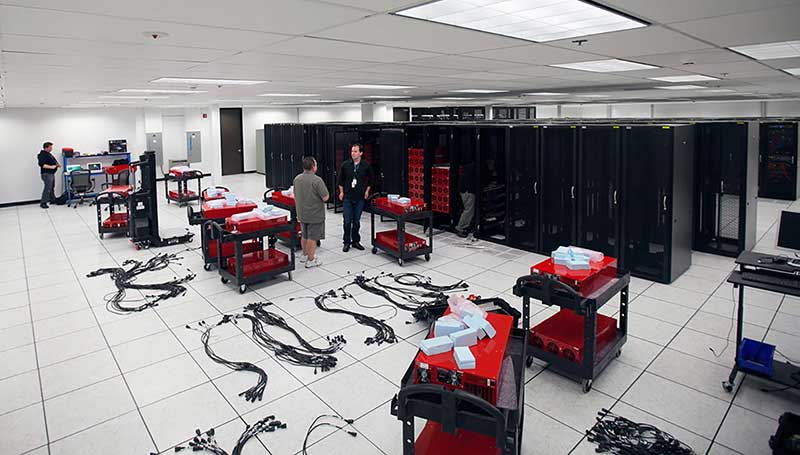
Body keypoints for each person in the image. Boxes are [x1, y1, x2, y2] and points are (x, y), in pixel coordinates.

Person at [293, 156, 329, 268]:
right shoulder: (317, 180)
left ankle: (304, 255)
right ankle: (311, 259)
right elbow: (325, 197)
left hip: (302, 213)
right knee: (312, 237)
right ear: (313, 167)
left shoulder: (297, 179)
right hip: (314, 214)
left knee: (304, 234)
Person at [338, 143, 373, 252]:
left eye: (356, 151)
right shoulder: (345, 165)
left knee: (356, 221)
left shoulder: (366, 165)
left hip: (360, 197)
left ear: (361, 153)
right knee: (347, 221)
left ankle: (356, 241)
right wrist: (341, 192)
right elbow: (340, 180)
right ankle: (346, 242)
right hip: (347, 196)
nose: (353, 153)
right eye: (352, 151)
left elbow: (371, 180)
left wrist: (367, 191)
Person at [455, 161, 476, 237]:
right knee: (469, 209)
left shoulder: (470, 165)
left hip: (464, 188)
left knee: (469, 209)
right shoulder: (477, 167)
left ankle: (466, 226)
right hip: (467, 190)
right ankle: (460, 228)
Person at [38, 142, 59, 209]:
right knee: (47, 188)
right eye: (50, 147)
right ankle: (43, 203)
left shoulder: (48, 154)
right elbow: (42, 165)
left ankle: (52, 199)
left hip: (51, 173)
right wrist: (52, 167)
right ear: (46, 147)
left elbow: (53, 161)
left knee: (52, 187)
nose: (51, 149)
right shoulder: (42, 155)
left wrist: (56, 165)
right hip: (46, 174)